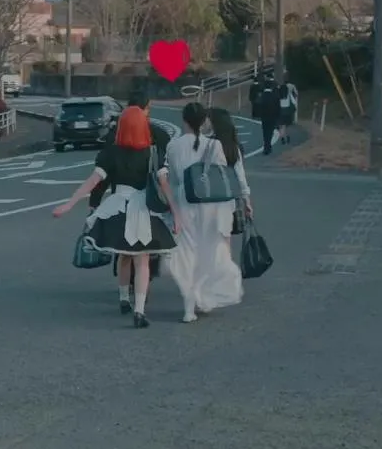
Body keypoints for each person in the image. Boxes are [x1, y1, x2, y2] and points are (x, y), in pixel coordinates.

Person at [54, 107, 180, 328]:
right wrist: (176, 213)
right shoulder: (152, 153)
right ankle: (139, 311)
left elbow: (93, 181)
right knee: (142, 260)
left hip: (117, 207)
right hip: (143, 209)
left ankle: (123, 299)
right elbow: (164, 185)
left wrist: (70, 204)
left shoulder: (111, 153)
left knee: (124, 255)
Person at [164, 104, 252, 324]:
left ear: (184, 120)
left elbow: (173, 179)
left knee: (188, 253)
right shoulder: (215, 145)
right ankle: (204, 297)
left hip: (185, 201)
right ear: (204, 122)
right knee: (210, 250)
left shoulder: (173, 146)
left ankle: (189, 307)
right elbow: (220, 175)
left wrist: (172, 207)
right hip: (212, 205)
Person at [90, 91, 171, 284]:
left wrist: (95, 201)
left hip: (120, 197)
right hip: (150, 199)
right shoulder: (159, 135)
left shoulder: (115, 136)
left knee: (123, 242)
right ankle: (144, 281)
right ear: (146, 109)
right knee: (147, 244)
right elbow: (167, 172)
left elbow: (104, 174)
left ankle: (126, 284)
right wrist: (171, 202)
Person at [257, 77, 281, 155]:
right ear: (271, 87)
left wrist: (259, 115)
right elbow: (278, 107)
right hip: (272, 117)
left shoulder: (262, 96)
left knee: (265, 132)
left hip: (264, 117)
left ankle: (266, 146)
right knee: (270, 132)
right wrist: (278, 117)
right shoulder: (275, 96)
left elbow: (258, 106)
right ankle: (268, 146)